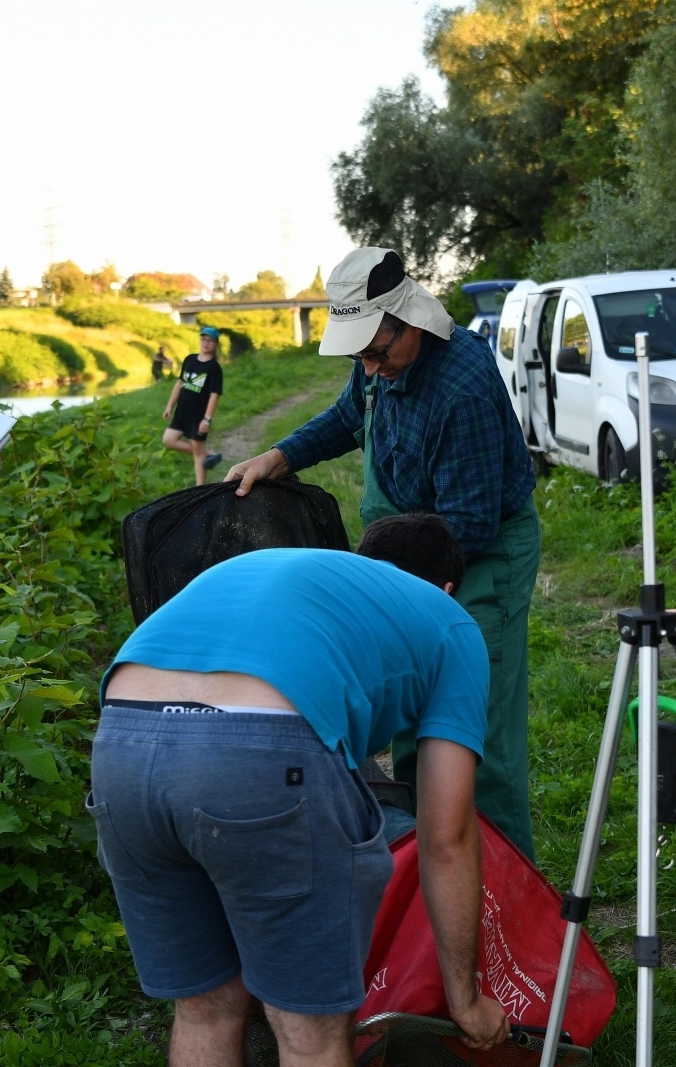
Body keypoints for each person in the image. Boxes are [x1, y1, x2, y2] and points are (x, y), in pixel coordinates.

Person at [90, 514, 511, 1066]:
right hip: (257, 754)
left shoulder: (283, 572)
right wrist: (467, 999)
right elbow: (446, 836)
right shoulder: (451, 623)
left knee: (205, 1010)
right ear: (449, 587)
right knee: (309, 1034)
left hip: (121, 745)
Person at [226, 248, 541, 860]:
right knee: (409, 714)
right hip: (409, 567)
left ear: (411, 321)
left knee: (473, 729)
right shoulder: (377, 363)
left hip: (474, 563)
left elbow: (468, 527)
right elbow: (347, 418)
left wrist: (393, 597)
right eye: (358, 357)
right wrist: (278, 457)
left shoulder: (463, 387)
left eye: (377, 354)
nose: (369, 370)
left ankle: (504, 888)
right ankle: (428, 868)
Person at [162, 325, 224, 484]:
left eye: (210, 341)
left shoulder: (214, 368)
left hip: (198, 416)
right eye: (204, 339)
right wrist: (170, 405)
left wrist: (207, 419)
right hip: (182, 412)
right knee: (168, 439)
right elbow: (180, 383)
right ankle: (208, 453)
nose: (206, 343)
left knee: (198, 453)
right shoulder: (189, 359)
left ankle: (200, 489)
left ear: (216, 344)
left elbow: (214, 395)